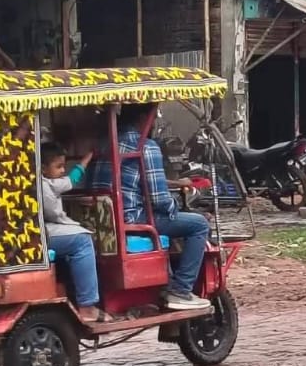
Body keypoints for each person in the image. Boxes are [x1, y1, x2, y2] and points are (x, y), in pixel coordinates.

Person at [86, 104, 211, 311]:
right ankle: (180, 290)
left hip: (102, 219)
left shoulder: (103, 144)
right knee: (197, 224)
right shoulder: (145, 146)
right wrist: (175, 205)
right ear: (144, 118)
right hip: (132, 219)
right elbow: (159, 199)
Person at [39, 143, 115, 324]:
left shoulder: (50, 182)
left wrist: (87, 158)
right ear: (42, 168)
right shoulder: (41, 185)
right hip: (40, 233)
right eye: (58, 167)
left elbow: (71, 180)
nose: (63, 170)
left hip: (45, 230)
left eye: (63, 166)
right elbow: (54, 214)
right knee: (82, 240)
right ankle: (87, 307)